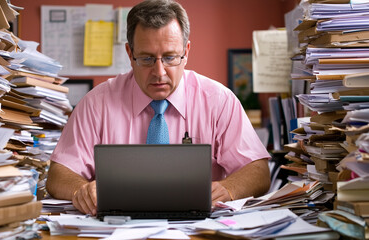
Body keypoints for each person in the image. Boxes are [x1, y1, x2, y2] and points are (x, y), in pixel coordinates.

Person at [46, 0, 271, 215]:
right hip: (117, 227)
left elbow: (258, 171)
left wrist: (228, 188)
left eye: (170, 57)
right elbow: (59, 175)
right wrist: (80, 190)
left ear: (187, 51)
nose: (159, 72)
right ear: (130, 53)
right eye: (146, 59)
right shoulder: (96, 104)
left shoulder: (219, 100)